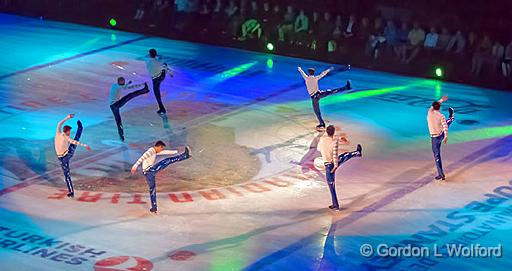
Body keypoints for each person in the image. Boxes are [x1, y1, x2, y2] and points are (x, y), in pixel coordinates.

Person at [131, 141, 191, 213]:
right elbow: (142, 157)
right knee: (166, 161)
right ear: (159, 147)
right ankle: (185, 156)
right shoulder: (151, 151)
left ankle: (154, 208)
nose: (161, 150)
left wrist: (176, 151)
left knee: (152, 189)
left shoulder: (154, 151)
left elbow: (164, 152)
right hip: (150, 170)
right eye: (161, 148)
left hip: (147, 173)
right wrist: (135, 166)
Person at [317, 125, 362, 210]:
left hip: (328, 165)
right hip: (332, 164)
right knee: (344, 156)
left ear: (326, 132)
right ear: (333, 132)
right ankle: (356, 153)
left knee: (332, 187)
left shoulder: (322, 140)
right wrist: (335, 166)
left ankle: (336, 205)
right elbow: (334, 155)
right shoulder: (334, 142)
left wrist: (335, 166)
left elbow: (320, 149)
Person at [54, 114, 92, 198]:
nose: (69, 133)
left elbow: (59, 124)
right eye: (69, 132)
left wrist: (67, 117)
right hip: (63, 157)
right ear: (66, 131)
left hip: (65, 156)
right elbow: (59, 124)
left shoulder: (59, 134)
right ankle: (71, 192)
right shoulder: (64, 135)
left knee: (67, 175)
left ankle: (71, 192)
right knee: (66, 175)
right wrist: (85, 145)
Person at [427, 96, 455, 181]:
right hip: (441, 135)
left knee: (437, 156)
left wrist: (441, 100)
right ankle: (452, 117)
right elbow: (445, 126)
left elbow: (433, 106)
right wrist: (445, 136)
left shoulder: (429, 112)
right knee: (447, 122)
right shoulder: (441, 116)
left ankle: (441, 174)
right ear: (439, 107)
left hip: (434, 139)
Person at [146, 48, 173, 115]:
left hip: (155, 79)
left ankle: (162, 109)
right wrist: (170, 73)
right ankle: (162, 108)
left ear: (149, 54)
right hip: (161, 76)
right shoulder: (159, 62)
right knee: (163, 66)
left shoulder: (148, 61)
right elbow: (165, 65)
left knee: (157, 94)